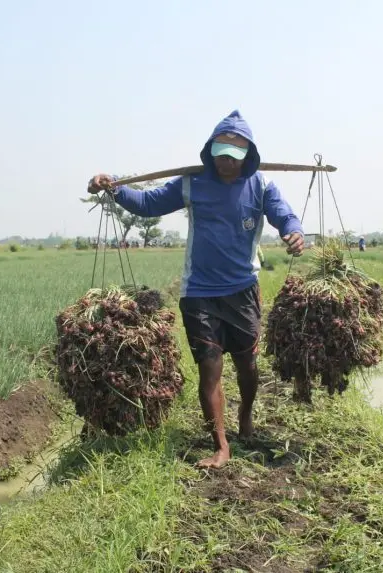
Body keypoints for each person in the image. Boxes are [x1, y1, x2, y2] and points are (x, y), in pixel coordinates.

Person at [87, 110, 305, 469]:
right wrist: (115, 187)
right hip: (199, 291)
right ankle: (220, 445)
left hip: (242, 290)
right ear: (210, 151)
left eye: (234, 158)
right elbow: (147, 204)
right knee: (209, 368)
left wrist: (292, 231)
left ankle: (246, 416)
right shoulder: (192, 183)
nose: (226, 163)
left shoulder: (262, 186)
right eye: (220, 154)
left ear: (247, 157)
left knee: (248, 366)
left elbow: (285, 215)